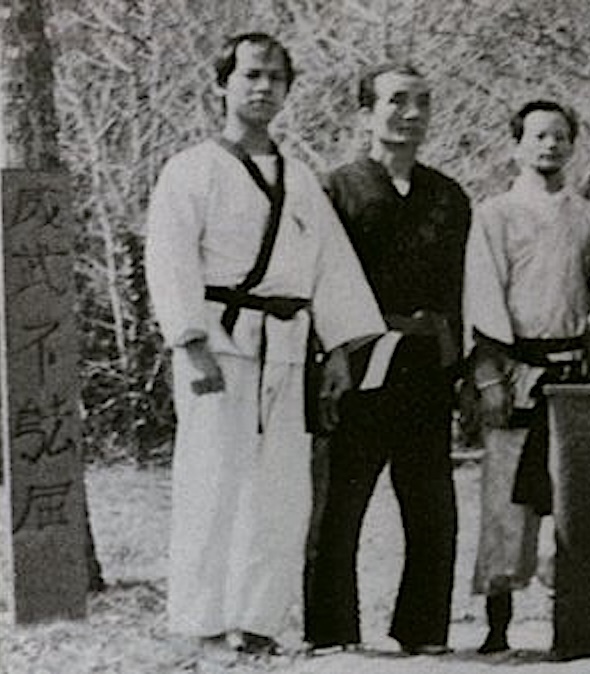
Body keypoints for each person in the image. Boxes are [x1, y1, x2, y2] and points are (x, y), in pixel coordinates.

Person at [144, 32, 385, 654]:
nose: (262, 87)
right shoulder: (191, 169)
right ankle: (199, 622)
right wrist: (190, 342)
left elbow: (330, 268)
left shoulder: (301, 178)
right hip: (218, 340)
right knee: (211, 480)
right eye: (250, 75)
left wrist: (338, 352)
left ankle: (258, 623)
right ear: (222, 84)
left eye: (275, 77)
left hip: (287, 343)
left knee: (280, 491)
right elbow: (169, 259)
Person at [302, 63, 470, 655]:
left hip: (426, 365)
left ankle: (424, 632)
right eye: (397, 101)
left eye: (422, 102)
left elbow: (457, 289)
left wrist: (461, 368)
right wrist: (331, 359)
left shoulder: (448, 196)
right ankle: (330, 634)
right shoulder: (336, 189)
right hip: (357, 361)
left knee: (432, 506)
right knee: (339, 504)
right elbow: (318, 283)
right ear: (365, 113)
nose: (411, 113)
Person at [464, 100, 590, 653]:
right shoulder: (495, 214)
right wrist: (489, 377)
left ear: (573, 146)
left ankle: (570, 624)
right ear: (517, 145)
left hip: (573, 372)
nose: (549, 146)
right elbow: (482, 295)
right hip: (515, 366)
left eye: (560, 137)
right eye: (538, 136)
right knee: (506, 501)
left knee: (569, 499)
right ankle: (497, 624)